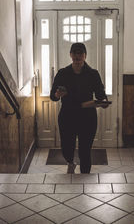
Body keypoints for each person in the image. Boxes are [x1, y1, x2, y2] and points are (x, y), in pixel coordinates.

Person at [50, 42, 109, 174]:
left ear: (85, 56)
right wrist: (57, 94)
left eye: (80, 54)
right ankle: (70, 162)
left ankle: (85, 179)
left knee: (85, 150)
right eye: (75, 54)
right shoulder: (63, 73)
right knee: (67, 147)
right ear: (70, 55)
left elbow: (100, 94)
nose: (77, 57)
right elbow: (52, 96)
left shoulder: (93, 74)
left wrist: (103, 101)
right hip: (67, 116)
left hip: (87, 117)